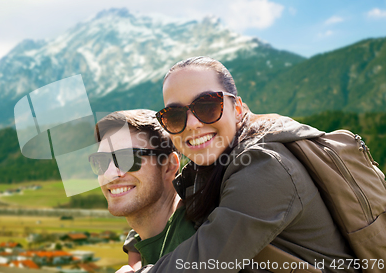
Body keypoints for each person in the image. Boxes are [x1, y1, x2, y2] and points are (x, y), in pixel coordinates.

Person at [118, 57, 358, 273]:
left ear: (238, 109)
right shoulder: (214, 166)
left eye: (207, 106)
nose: (192, 124)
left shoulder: (266, 167)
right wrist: (136, 246)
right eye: (174, 115)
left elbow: (204, 263)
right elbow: (176, 206)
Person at [90, 109, 197, 270]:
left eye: (128, 158)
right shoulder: (146, 237)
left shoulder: (196, 243)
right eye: (101, 161)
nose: (109, 174)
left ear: (168, 166)